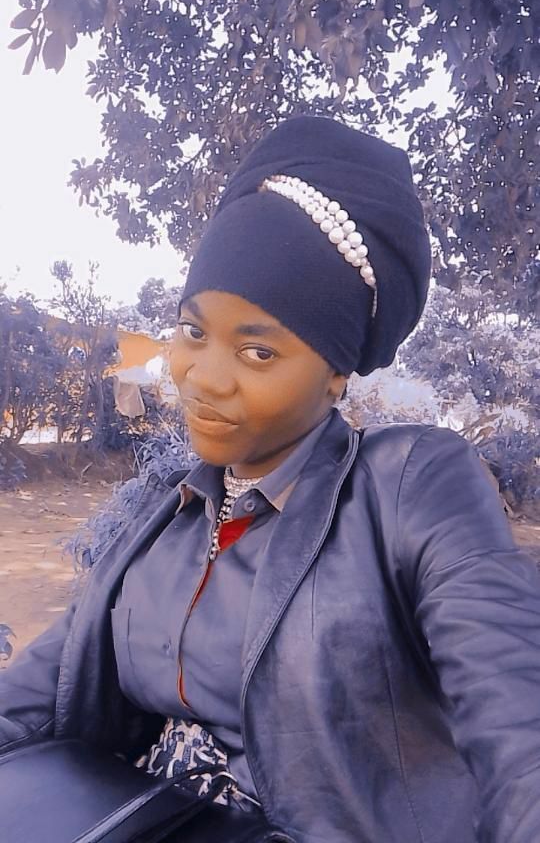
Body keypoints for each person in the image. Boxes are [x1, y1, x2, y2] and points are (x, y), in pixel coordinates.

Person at [1, 115, 539, 843]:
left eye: (258, 353)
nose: (204, 378)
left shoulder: (410, 486)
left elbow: (515, 709)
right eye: (193, 332)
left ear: (336, 374)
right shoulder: (167, 510)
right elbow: (41, 689)